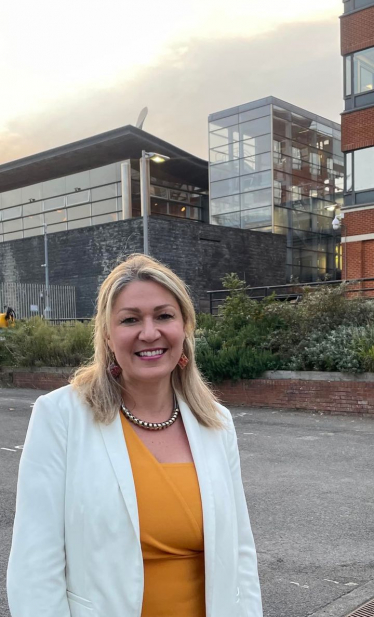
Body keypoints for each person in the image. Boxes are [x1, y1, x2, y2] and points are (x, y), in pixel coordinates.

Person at [7, 254, 262, 617]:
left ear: (185, 326)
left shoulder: (216, 422)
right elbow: (34, 565)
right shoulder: (61, 416)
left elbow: (240, 552)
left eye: (164, 315)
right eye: (130, 319)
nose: (149, 332)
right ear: (109, 336)